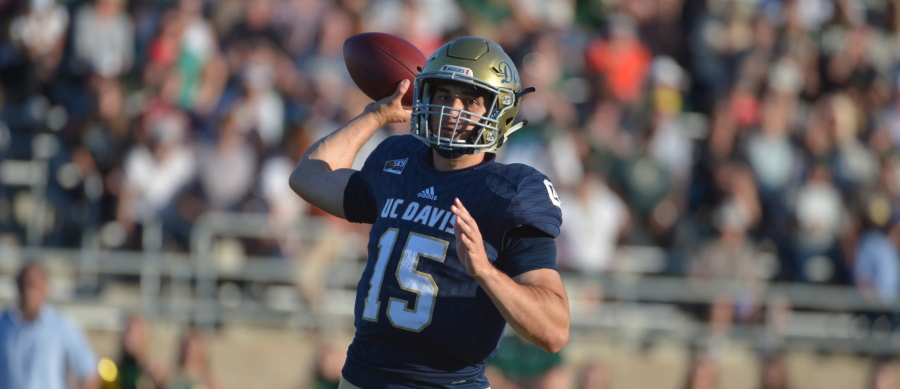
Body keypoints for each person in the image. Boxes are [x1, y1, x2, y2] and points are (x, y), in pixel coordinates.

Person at [289, 36, 569, 388]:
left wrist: (485, 272)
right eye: (442, 96)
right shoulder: (398, 161)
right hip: (360, 378)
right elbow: (309, 176)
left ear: (499, 111)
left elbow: (554, 330)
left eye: (470, 101)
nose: (453, 110)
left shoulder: (510, 191)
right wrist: (375, 116)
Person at [0, 262, 100, 389]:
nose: (29, 291)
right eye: (25, 283)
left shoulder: (61, 326)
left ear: (45, 288)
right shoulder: (3, 324)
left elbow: (90, 372)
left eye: (34, 285)